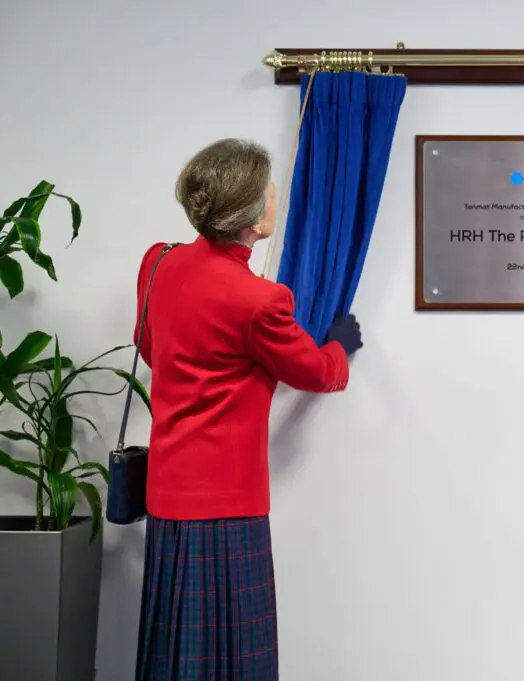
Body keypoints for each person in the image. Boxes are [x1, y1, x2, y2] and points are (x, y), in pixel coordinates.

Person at [132, 138, 363, 680]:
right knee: (235, 660)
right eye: (268, 189)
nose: (275, 193)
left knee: (177, 657)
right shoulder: (259, 300)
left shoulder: (159, 262)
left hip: (167, 494)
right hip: (228, 506)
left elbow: (150, 344)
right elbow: (313, 372)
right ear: (253, 224)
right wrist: (339, 347)